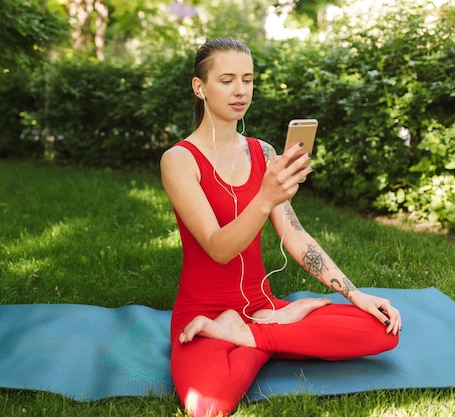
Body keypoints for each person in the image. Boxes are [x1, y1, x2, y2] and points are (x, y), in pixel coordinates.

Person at [159, 38, 402, 417]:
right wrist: (265, 197)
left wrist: (356, 295)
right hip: (202, 312)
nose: (240, 91)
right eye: (226, 80)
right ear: (200, 87)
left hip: (262, 307)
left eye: (248, 79)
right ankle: (265, 334)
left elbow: (295, 236)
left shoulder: (265, 153)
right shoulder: (178, 160)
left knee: (380, 329)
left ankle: (250, 334)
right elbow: (218, 248)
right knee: (208, 405)